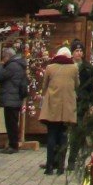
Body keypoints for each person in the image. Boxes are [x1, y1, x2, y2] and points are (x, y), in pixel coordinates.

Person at [39, 45, 78, 175]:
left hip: (52, 106)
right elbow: (77, 85)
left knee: (51, 135)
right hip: (67, 106)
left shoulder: (50, 67)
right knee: (64, 136)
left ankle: (49, 165)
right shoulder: (74, 68)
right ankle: (61, 166)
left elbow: (44, 85)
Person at [0, 46, 29, 153]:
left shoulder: (11, 66)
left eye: (3, 57)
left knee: (11, 123)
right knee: (13, 122)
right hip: (16, 98)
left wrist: (0, 66)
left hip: (11, 98)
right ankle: (13, 144)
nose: (3, 60)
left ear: (8, 56)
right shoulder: (19, 65)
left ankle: (13, 145)